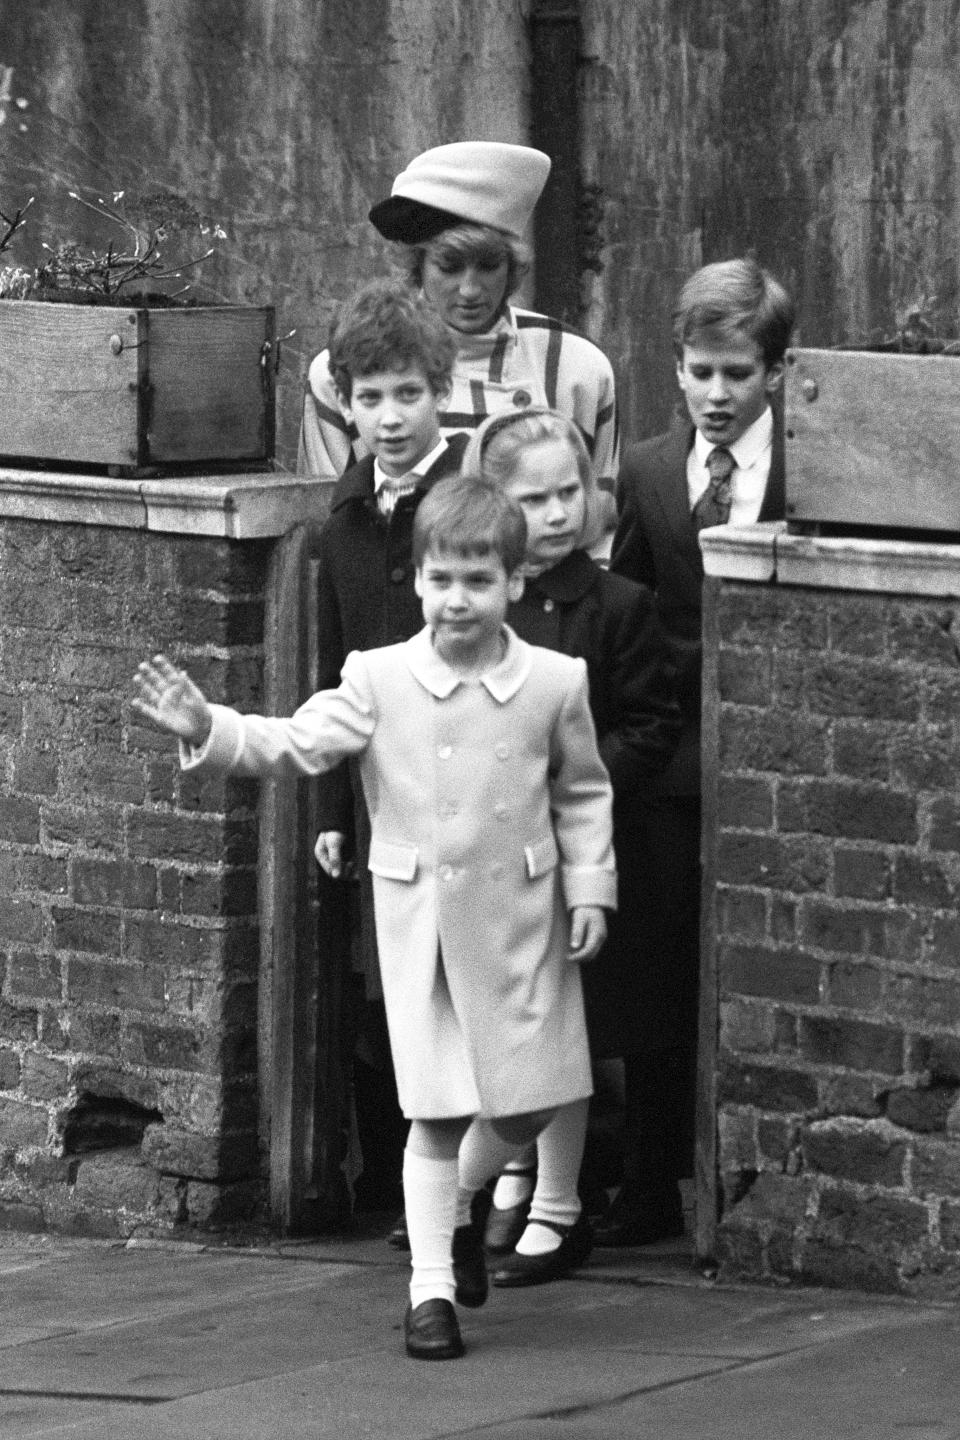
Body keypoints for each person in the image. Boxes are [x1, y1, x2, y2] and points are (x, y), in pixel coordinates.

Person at [131, 476, 617, 1362]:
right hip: (424, 925)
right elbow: (294, 741)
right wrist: (213, 727)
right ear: (419, 582)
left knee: (533, 1102)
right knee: (435, 1115)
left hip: (524, 922)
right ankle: (430, 1290)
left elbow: (582, 792)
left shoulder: (554, 682)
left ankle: (464, 1207)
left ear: (514, 583)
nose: (455, 599)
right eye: (439, 579)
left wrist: (590, 888)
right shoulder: (379, 677)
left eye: (477, 579)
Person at [457, 408, 680, 1286]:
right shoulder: (483, 599)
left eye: (570, 493)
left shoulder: (618, 607)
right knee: (507, 1024)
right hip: (497, 857)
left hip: (585, 846)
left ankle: (559, 1206)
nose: (556, 513)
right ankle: (508, 1180)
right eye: (533, 497)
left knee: (567, 1031)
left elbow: (651, 724)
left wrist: (566, 781)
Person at [607, 257, 796, 1244]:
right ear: (674, 368)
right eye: (699, 372)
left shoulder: (807, 468)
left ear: (775, 372)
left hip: (772, 757)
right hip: (670, 764)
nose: (716, 396)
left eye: (738, 375)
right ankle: (647, 1185)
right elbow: (630, 621)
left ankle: (754, 1181)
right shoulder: (644, 470)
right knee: (654, 968)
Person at [310, 279, 469, 1217]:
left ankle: (467, 1188)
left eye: (407, 394)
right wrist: (334, 808)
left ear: (439, 390)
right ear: (345, 402)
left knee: (462, 986)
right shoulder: (345, 517)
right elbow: (338, 676)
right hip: (380, 796)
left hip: (460, 778)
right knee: (385, 992)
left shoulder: (464, 501)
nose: (390, 416)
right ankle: (395, 1186)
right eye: (370, 398)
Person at [298, 140, 618, 494]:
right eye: (449, 267)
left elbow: (602, 517)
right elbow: (329, 518)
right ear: (417, 264)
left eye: (488, 266)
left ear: (512, 267)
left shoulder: (578, 368)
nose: (469, 290)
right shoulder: (341, 370)